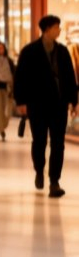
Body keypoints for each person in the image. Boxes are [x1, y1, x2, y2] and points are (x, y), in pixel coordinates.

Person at [14, 14, 79, 198]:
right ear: (47, 29)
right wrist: (21, 102)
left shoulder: (63, 51)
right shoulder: (29, 51)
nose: (59, 30)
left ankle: (54, 181)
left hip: (59, 104)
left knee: (58, 144)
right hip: (37, 104)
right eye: (57, 27)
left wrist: (74, 101)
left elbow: (70, 77)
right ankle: (39, 170)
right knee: (39, 142)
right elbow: (20, 78)